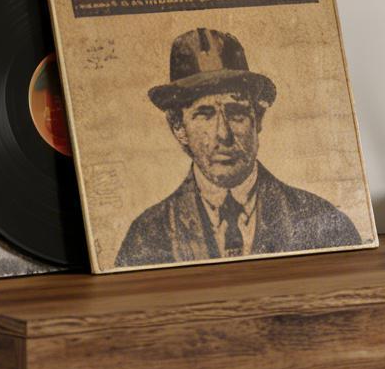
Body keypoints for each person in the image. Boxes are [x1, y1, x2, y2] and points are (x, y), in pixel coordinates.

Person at [115, 26, 362, 267]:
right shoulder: (147, 235)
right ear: (178, 128)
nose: (223, 134)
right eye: (204, 114)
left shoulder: (322, 221)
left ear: (259, 119)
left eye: (236, 113)